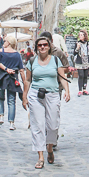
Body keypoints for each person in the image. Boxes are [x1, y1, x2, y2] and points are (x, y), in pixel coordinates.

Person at [23, 34, 70, 169]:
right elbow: (27, 80)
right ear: (36, 48)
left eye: (45, 45)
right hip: (36, 95)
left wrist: (67, 90)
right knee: (38, 124)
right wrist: (24, 96)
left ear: (49, 47)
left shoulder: (55, 60)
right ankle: (40, 156)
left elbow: (62, 77)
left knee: (53, 125)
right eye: (40, 45)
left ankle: (49, 147)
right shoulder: (32, 61)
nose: (42, 47)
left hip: (53, 94)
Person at [0, 34, 26, 130]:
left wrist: (6, 69)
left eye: (5, 41)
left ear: (8, 43)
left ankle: (1, 116)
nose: (3, 43)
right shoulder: (17, 54)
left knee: (0, 97)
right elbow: (21, 70)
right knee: (11, 100)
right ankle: (11, 123)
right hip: (13, 78)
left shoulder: (1, 52)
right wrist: (25, 82)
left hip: (1, 77)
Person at [74, 29, 89, 96]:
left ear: (85, 36)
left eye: (81, 35)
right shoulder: (77, 43)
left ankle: (84, 89)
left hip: (86, 62)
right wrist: (77, 48)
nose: (80, 36)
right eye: (79, 35)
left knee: (85, 76)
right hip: (80, 62)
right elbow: (74, 53)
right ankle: (80, 90)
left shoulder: (88, 44)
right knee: (81, 75)